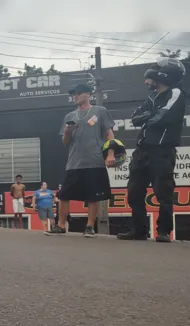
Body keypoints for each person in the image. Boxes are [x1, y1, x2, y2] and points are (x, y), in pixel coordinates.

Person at [118, 58, 186, 243]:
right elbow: (134, 118)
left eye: (150, 78)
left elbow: (162, 117)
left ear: (163, 76)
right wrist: (149, 115)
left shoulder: (176, 93)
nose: (147, 81)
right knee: (134, 191)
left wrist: (148, 116)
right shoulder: (152, 98)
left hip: (162, 150)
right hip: (142, 151)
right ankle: (139, 231)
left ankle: (163, 232)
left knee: (163, 192)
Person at [48, 84, 116, 238]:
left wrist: (110, 154)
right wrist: (67, 131)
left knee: (93, 196)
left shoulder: (100, 111)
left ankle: (90, 226)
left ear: (87, 94)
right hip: (74, 163)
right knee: (64, 195)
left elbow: (109, 134)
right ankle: (60, 226)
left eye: (78, 94)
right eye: (73, 94)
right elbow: (65, 142)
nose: (75, 97)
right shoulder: (69, 116)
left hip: (95, 160)